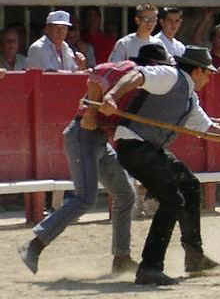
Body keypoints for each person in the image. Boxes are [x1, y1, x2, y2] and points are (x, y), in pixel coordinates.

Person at [98, 45, 220, 285]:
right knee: (172, 200)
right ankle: (150, 267)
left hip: (148, 148)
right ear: (196, 71)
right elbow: (137, 75)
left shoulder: (189, 97)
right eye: (208, 72)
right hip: (134, 145)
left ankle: (194, 256)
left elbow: (208, 129)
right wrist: (112, 95)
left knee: (190, 186)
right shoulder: (170, 75)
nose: (209, 77)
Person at [17, 44, 173, 276]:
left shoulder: (140, 83)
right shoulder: (130, 71)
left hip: (98, 139)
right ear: (153, 67)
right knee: (84, 198)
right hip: (83, 135)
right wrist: (90, 111)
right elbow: (98, 74)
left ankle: (121, 258)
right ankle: (34, 245)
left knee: (125, 194)